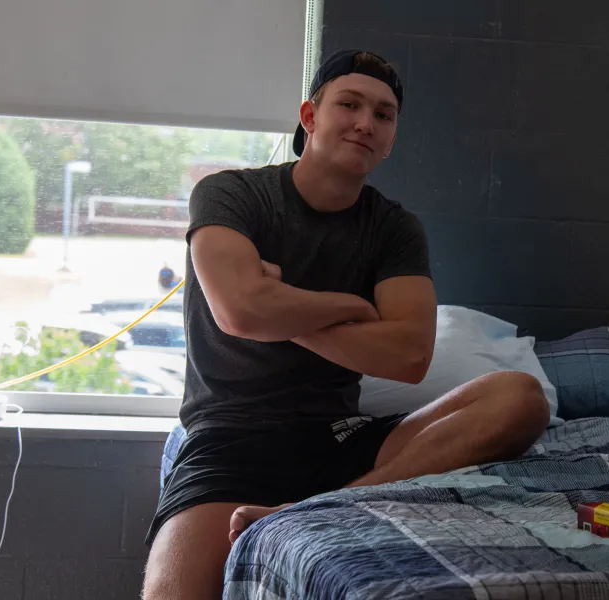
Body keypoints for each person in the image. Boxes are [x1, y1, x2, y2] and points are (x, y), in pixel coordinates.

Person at [141, 49, 551, 600]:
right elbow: (238, 312)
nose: (365, 122)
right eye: (350, 104)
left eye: (383, 115)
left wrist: (279, 302)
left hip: (338, 437)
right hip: (231, 436)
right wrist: (352, 306)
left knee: (520, 396)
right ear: (310, 117)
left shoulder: (394, 229)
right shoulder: (230, 195)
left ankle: (333, 504)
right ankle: (324, 502)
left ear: (391, 139)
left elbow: (409, 357)